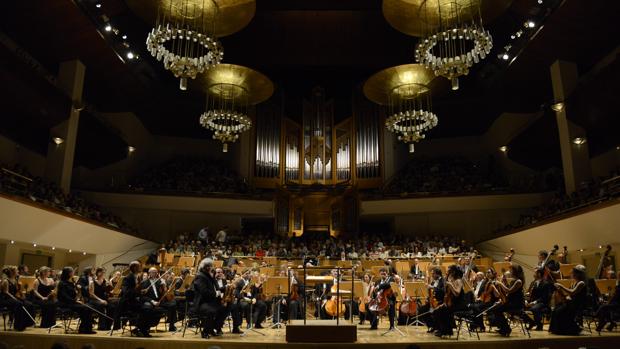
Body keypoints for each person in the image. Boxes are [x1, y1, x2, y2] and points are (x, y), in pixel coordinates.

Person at [119, 261, 159, 337]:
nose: (141, 267)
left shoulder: (136, 277)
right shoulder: (127, 278)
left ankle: (139, 328)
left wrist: (141, 291)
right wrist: (137, 290)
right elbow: (126, 293)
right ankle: (142, 329)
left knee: (150, 308)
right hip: (127, 304)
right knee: (147, 308)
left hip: (134, 302)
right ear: (134, 268)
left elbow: (135, 292)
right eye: (139, 266)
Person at [549, 265, 587, 335]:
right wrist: (561, 292)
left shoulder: (581, 283)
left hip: (577, 305)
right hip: (571, 303)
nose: (571, 274)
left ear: (578, 274)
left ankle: (567, 329)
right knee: (556, 310)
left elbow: (572, 292)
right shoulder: (574, 282)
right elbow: (570, 294)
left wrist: (561, 286)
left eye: (573, 273)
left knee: (560, 311)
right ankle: (557, 330)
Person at [488, 264, 525, 337]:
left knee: (497, 310)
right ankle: (503, 328)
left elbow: (509, 291)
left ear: (515, 271)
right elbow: (507, 293)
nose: (510, 271)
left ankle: (506, 328)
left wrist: (500, 283)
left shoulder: (518, 281)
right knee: (496, 309)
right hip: (511, 302)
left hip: (516, 304)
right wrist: (501, 300)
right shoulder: (513, 281)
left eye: (511, 270)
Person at [192, 258, 225, 338]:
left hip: (210, 301)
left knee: (226, 308)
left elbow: (215, 288)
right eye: (211, 266)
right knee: (211, 311)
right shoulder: (200, 277)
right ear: (206, 267)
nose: (212, 268)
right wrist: (216, 293)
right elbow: (204, 292)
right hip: (202, 303)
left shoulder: (209, 275)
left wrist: (224, 288)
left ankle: (213, 327)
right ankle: (205, 331)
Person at [57, 267, 95, 334]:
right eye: (72, 272)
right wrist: (75, 301)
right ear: (68, 273)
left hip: (72, 302)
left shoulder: (71, 282)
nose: (73, 273)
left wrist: (79, 291)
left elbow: (75, 295)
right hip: (65, 303)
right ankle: (84, 329)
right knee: (85, 309)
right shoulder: (62, 283)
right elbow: (64, 296)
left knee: (89, 307)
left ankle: (86, 328)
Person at [432, 265, 467, 337]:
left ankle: (446, 331)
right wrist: (444, 303)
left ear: (453, 272)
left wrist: (450, 285)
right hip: (453, 303)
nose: (447, 272)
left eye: (448, 271)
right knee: (437, 310)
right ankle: (443, 330)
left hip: (459, 304)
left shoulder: (458, 281)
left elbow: (457, 293)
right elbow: (448, 294)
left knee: (442, 311)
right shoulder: (452, 281)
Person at [139, 267, 176, 332]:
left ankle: (172, 326)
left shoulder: (159, 281)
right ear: (149, 273)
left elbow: (164, 293)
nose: (155, 274)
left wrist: (164, 285)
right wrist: (152, 301)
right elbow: (143, 297)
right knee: (148, 307)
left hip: (159, 301)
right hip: (151, 301)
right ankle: (146, 327)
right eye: (153, 272)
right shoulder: (144, 282)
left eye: (156, 272)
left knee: (173, 304)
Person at [0, 265, 35, 331]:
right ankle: (18, 326)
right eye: (16, 271)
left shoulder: (16, 280)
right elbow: (6, 292)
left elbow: (17, 291)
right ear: (12, 272)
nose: (18, 271)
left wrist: (21, 292)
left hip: (13, 298)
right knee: (20, 304)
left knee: (29, 304)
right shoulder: (6, 281)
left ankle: (27, 323)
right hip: (5, 299)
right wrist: (15, 298)